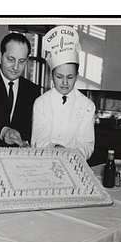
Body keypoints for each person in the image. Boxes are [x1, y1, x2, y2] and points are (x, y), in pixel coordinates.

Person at [31, 26, 95, 160]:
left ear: (77, 76)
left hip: (74, 164)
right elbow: (38, 138)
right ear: (51, 75)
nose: (65, 82)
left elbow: (86, 144)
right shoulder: (41, 103)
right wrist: (54, 149)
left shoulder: (87, 106)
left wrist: (71, 156)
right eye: (59, 77)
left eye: (70, 77)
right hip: (43, 161)